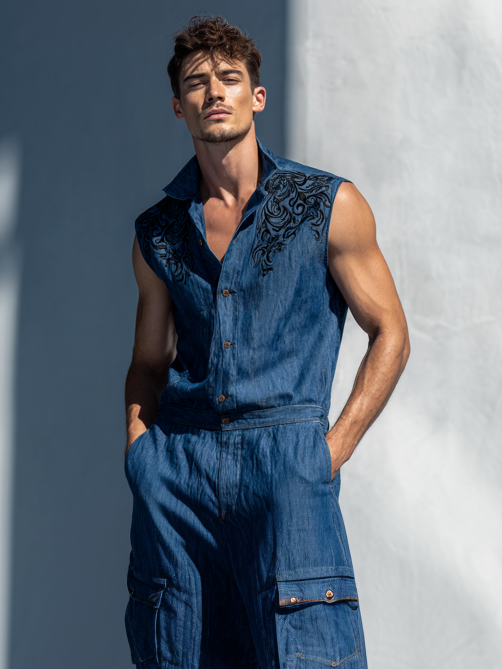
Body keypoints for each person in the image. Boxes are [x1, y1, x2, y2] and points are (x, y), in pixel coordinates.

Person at [123, 14, 410, 669]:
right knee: (176, 651)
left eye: (229, 78)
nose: (213, 92)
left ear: (256, 96)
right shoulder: (158, 233)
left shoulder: (327, 205)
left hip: (287, 465)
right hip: (179, 475)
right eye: (196, 82)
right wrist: (141, 452)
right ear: (179, 106)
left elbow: (390, 332)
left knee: (307, 652)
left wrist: (327, 453)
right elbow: (147, 361)